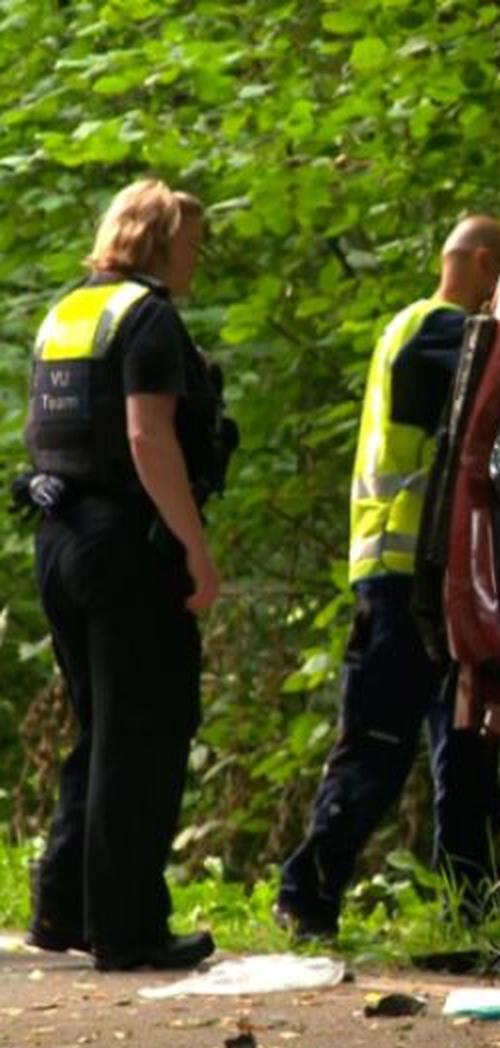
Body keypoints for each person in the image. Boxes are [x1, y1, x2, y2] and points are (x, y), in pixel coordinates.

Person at [277, 216, 500, 942]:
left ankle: (471, 910)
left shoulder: (423, 332)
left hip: (432, 578)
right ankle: (305, 896)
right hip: (400, 577)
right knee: (381, 747)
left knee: (468, 745)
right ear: (481, 265)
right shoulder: (437, 333)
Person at [21, 179, 236, 971]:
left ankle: (64, 908)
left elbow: (46, 428)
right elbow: (149, 438)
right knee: (145, 732)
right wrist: (194, 550)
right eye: (191, 243)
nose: (197, 258)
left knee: (102, 728)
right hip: (125, 544)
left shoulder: (70, 311)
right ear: (157, 241)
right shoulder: (147, 318)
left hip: (61, 538)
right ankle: (130, 927)